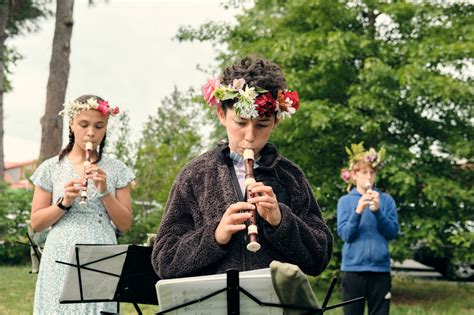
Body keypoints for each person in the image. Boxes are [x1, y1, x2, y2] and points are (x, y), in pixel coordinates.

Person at [152, 56, 333, 279]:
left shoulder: (290, 176)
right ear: (221, 115)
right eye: (240, 122)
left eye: (262, 125)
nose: (250, 136)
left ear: (276, 121)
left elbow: (319, 257)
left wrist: (281, 221)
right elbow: (164, 260)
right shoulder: (195, 175)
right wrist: (215, 236)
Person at [30, 95, 135, 314]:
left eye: (99, 126)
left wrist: (105, 190)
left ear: (105, 128)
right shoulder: (51, 168)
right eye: (83, 124)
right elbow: (37, 223)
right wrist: (64, 202)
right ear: (71, 124)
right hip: (60, 254)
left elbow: (125, 224)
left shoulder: (117, 169)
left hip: (101, 253)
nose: (91, 132)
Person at [337, 142, 399, 315]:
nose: (369, 177)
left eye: (372, 173)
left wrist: (378, 211)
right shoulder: (345, 201)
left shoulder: (386, 200)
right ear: (354, 175)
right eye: (364, 172)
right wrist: (358, 211)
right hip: (353, 269)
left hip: (380, 270)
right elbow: (346, 235)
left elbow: (392, 233)